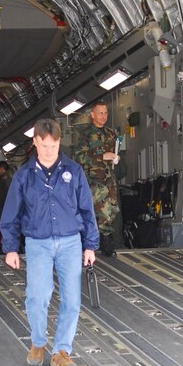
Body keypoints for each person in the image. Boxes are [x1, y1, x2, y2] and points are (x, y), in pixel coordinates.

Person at [0, 118, 98, 366]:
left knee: (72, 299)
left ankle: (62, 351)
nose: (49, 151)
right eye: (44, 146)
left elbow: (87, 210)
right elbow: (10, 214)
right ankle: (38, 343)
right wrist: (10, 248)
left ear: (59, 142)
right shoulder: (23, 176)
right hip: (38, 243)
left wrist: (90, 245)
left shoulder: (74, 171)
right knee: (37, 296)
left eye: (53, 146)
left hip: (70, 243)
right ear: (35, 142)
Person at [74, 102, 123, 256]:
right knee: (95, 212)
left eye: (106, 113)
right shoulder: (86, 134)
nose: (104, 116)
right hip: (93, 181)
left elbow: (113, 152)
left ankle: (106, 242)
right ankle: (94, 244)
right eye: (100, 113)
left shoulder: (111, 134)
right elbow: (79, 157)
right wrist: (102, 157)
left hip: (109, 179)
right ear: (92, 115)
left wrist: (115, 158)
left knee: (110, 210)